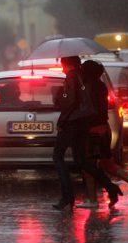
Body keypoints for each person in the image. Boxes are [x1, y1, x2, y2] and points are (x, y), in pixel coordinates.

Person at [52, 56, 122, 210]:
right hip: (82, 123)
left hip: (71, 122)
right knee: (82, 161)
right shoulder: (82, 76)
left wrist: (61, 121)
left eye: (62, 65)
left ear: (67, 64)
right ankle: (111, 188)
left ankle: (67, 197)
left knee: (58, 156)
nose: (62, 69)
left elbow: (70, 101)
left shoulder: (71, 77)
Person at [76, 60, 128, 208]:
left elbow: (90, 110)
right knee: (108, 165)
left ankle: (92, 199)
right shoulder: (100, 86)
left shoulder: (90, 88)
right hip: (103, 129)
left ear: (87, 73)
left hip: (94, 131)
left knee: (88, 165)